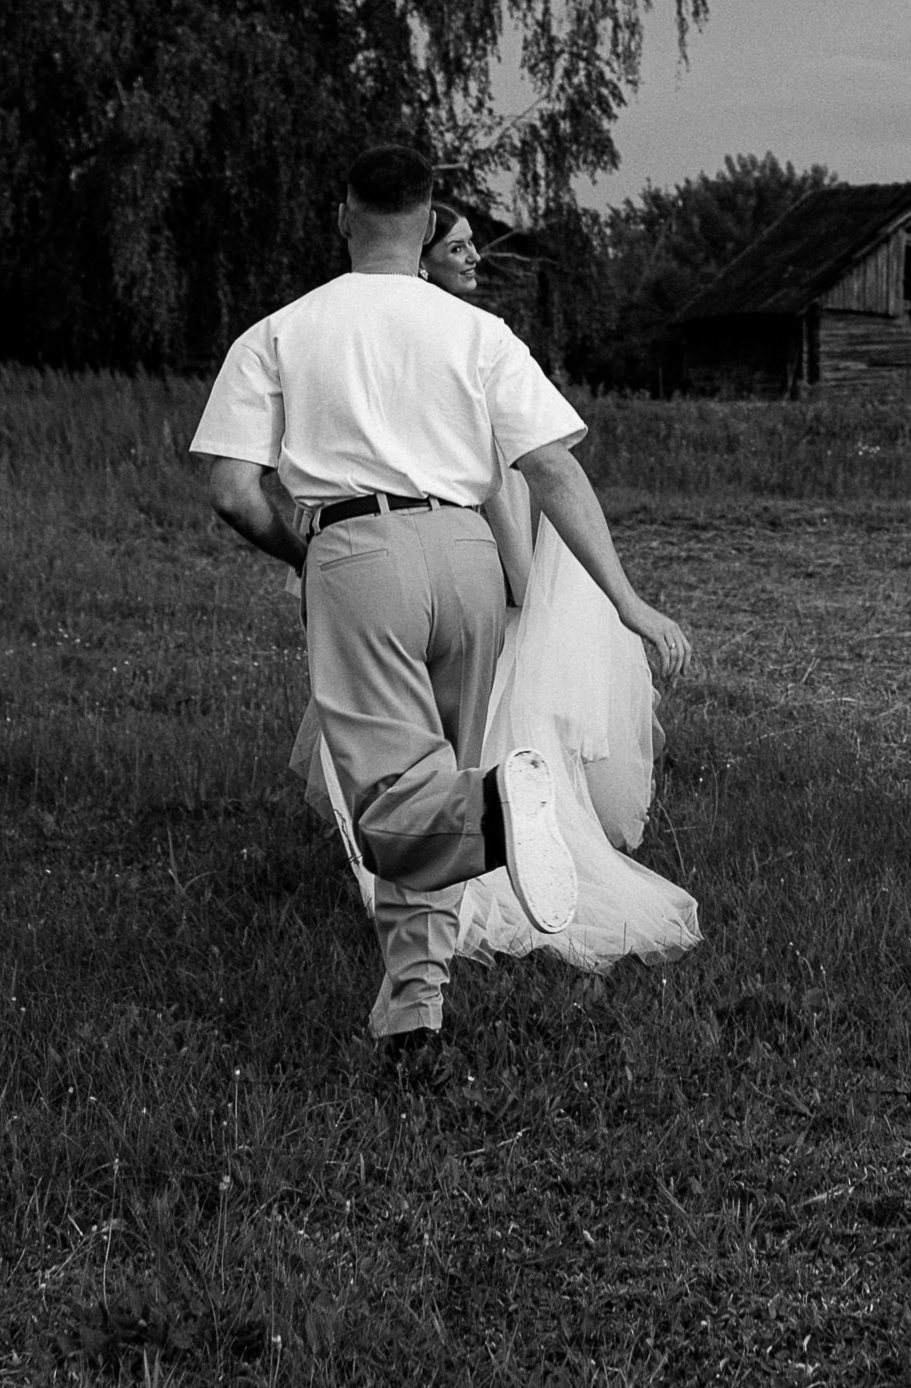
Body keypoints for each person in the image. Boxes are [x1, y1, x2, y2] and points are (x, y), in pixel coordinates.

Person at [190, 141, 692, 1064]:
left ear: (343, 216)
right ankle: (416, 1008)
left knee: (388, 797)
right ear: (426, 226)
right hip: (469, 558)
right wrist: (627, 600)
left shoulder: (280, 332)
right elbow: (553, 471)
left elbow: (231, 487)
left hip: (357, 554)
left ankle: (502, 810)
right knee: (436, 775)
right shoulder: (480, 334)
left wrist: (303, 547)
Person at [292, 190, 701, 1002]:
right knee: (434, 743)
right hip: (459, 561)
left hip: (461, 566)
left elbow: (515, 483)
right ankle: (453, 872)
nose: (475, 258)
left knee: (437, 744)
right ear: (420, 255)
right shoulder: (458, 345)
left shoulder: (450, 345)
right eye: (459, 248)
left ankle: (464, 874)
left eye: (476, 245)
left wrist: (522, 589)